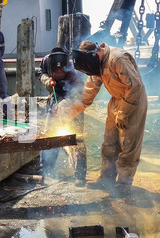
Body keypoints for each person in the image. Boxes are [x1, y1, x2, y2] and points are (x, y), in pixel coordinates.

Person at [63, 41, 148, 195]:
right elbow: (89, 91)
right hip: (116, 101)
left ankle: (123, 184)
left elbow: (135, 86)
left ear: (94, 55)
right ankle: (106, 179)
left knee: (128, 145)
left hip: (133, 103)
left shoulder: (117, 59)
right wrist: (71, 112)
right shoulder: (97, 64)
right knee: (109, 142)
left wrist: (124, 112)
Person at [38, 47, 87, 186]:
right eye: (56, 72)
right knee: (49, 134)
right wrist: (48, 81)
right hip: (55, 97)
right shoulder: (46, 61)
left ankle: (80, 175)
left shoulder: (74, 71)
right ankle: (46, 170)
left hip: (73, 100)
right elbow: (40, 73)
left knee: (76, 138)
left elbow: (80, 94)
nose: (59, 73)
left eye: (61, 71)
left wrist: (66, 106)